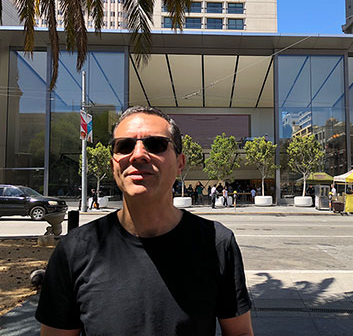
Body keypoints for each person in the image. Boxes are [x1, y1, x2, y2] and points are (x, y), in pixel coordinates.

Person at [36, 106, 253, 336]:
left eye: (156, 144)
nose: (138, 154)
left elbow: (239, 332)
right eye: (125, 146)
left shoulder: (218, 243)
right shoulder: (73, 250)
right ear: (113, 165)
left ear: (180, 163)